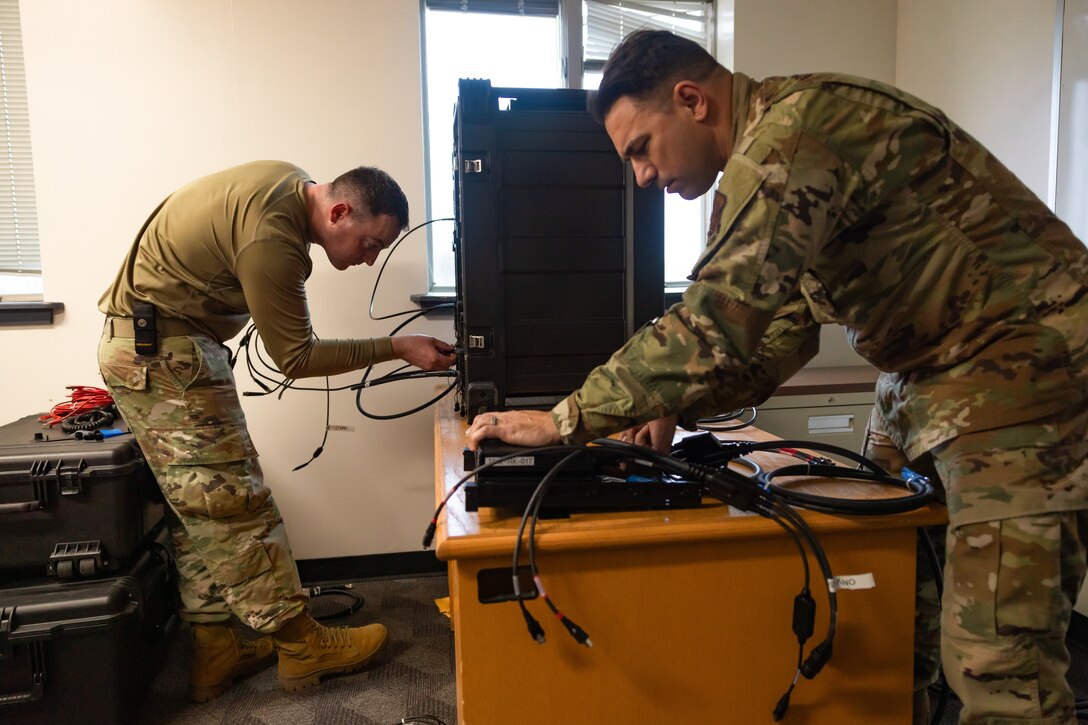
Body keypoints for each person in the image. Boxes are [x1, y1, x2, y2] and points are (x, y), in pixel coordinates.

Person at [466, 30, 1088, 725]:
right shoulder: (775, 156)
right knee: (889, 610)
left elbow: (714, 323)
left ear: (691, 100)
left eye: (640, 147)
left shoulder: (788, 138)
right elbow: (769, 339)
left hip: (1024, 375)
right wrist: (674, 399)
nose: (640, 175)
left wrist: (566, 418)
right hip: (928, 378)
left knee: (999, 663)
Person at [97, 160, 457, 702]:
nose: (370, 258)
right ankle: (301, 644)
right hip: (165, 356)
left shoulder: (287, 185)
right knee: (233, 503)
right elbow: (296, 356)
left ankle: (217, 651)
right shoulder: (274, 238)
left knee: (198, 509)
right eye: (370, 242)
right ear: (338, 211)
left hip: (158, 349)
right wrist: (398, 347)